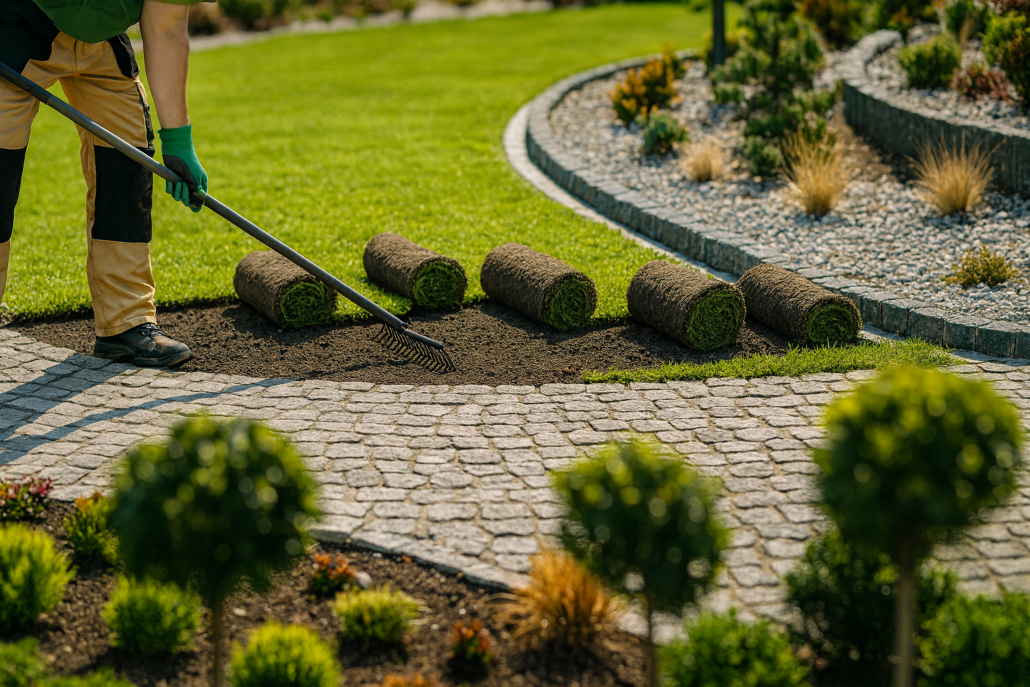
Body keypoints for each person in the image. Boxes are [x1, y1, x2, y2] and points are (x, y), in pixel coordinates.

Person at [0, 0, 212, 367]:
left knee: (128, 156)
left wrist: (178, 142)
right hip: (18, 20)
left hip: (99, 37)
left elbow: (166, 27)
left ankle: (126, 322)